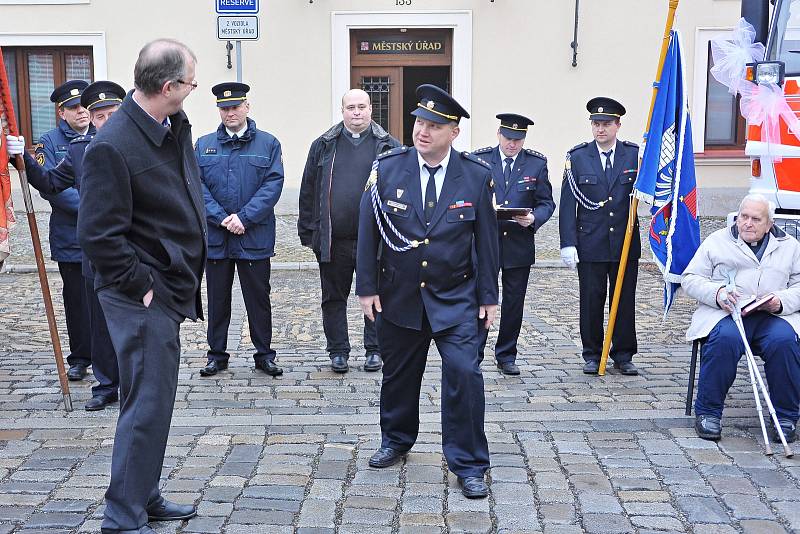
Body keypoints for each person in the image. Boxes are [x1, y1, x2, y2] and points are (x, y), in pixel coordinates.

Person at [78, 39, 203, 533]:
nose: (193, 90)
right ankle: (122, 517)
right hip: (141, 293)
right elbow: (98, 233)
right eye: (190, 83)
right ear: (169, 86)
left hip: (165, 284)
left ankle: (142, 494)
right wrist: (141, 284)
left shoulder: (168, 124)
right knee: (146, 404)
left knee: (149, 400)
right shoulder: (113, 144)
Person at [356, 84, 499, 498]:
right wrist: (366, 288)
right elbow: (368, 234)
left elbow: (487, 243)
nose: (423, 131)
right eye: (420, 121)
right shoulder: (387, 169)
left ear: (453, 132)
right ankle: (396, 440)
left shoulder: (475, 176)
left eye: (434, 125)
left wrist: (490, 297)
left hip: (457, 298)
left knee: (465, 374)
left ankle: (469, 463)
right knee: (398, 375)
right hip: (399, 295)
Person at [6, 81, 125, 411]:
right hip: (91, 250)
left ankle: (134, 381)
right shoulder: (78, 149)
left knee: (131, 319)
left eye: (111, 114)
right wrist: (23, 159)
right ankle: (106, 384)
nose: (104, 120)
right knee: (97, 319)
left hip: (131, 250)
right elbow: (50, 182)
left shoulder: (138, 146)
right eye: (98, 115)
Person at [682, 194, 800, 443]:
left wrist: (780, 300)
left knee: (785, 342)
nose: (747, 223)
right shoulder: (717, 241)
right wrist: (718, 293)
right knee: (725, 340)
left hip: (771, 315)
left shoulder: (789, 245)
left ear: (769, 223)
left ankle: (785, 416)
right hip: (726, 313)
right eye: (743, 217)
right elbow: (690, 278)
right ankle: (708, 412)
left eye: (755, 219)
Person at [298, 88, 400, 373]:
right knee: (333, 297)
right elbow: (308, 189)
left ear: (371, 109)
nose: (356, 112)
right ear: (342, 111)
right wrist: (309, 232)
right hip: (334, 240)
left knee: (378, 295)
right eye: (350, 107)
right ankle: (338, 350)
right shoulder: (324, 144)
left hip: (376, 240)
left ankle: (374, 349)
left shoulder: (389, 145)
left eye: (361, 107)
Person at [196, 82, 284, 377]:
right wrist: (221, 218)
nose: (230, 112)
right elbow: (197, 186)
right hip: (218, 235)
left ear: (247, 107)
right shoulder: (204, 144)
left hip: (253, 235)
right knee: (217, 299)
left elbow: (272, 185)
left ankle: (264, 354)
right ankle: (217, 355)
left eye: (235, 107)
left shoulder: (268, 144)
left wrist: (244, 218)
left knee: (258, 299)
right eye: (224, 108)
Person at [558, 97, 640, 376]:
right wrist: (568, 243)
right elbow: (569, 204)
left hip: (625, 241)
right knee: (591, 300)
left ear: (618, 125)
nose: (600, 129)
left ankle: (623, 353)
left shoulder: (634, 155)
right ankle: (592, 353)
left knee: (624, 300)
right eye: (596, 124)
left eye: (606, 124)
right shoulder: (578, 157)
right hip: (590, 241)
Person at [471, 113, 555, 375]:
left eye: (518, 140)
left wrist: (533, 219)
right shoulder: (481, 160)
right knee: (482, 297)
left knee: (514, 302)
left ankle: (506, 354)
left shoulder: (535, 164)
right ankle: (475, 352)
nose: (512, 144)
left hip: (518, 243)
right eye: (508, 138)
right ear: (499, 134)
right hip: (487, 243)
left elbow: (546, 202)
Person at [37, 80, 94, 381]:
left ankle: (107, 355)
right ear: (62, 113)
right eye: (73, 107)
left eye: (84, 105)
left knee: (105, 297)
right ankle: (81, 357)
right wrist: (94, 205)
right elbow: (53, 189)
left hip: (101, 236)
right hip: (70, 235)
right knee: (76, 300)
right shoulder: (49, 141)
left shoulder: (102, 135)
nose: (82, 111)